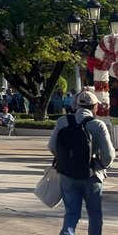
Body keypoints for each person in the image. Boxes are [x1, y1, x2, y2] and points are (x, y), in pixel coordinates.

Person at [48, 90, 115, 235]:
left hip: (67, 175)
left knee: (71, 214)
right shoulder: (97, 125)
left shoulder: (62, 121)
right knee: (95, 215)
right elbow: (109, 155)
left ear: (76, 105)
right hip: (91, 175)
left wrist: (67, 160)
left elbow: (52, 147)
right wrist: (99, 165)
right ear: (95, 107)